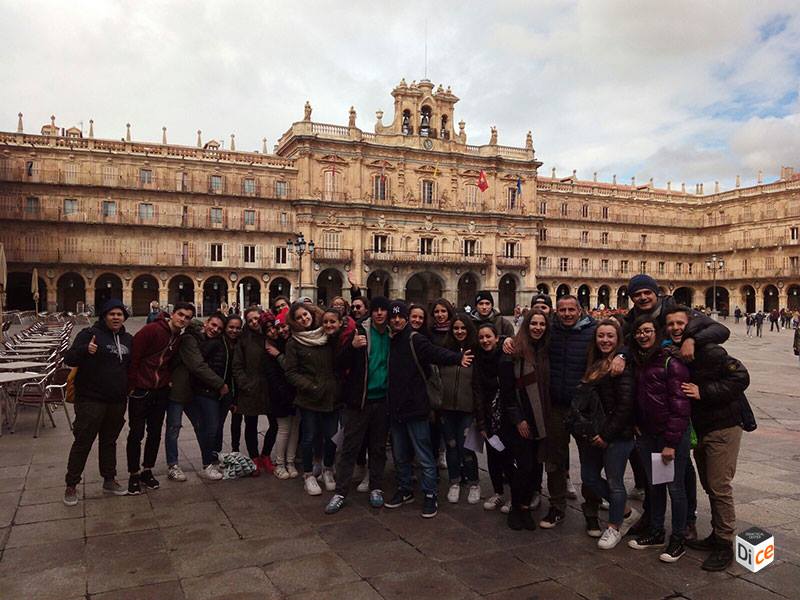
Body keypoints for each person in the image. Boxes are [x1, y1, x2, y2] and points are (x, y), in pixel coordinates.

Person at [665, 306, 750, 570]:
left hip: (724, 426)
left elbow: (741, 376)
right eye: (671, 325)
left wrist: (705, 391)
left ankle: (725, 543)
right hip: (702, 428)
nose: (676, 328)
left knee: (719, 486)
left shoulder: (711, 350)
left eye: (680, 324)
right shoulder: (678, 353)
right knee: (710, 485)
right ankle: (716, 534)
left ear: (689, 325)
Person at [383, 300, 472, 518]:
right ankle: (405, 489)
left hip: (416, 407)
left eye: (400, 316)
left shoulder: (415, 339)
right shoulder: (389, 339)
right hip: (395, 408)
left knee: (423, 455)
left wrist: (459, 358)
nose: (397, 320)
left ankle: (430, 494)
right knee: (400, 454)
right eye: (393, 317)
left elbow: (436, 353)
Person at [627, 316, 692, 563]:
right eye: (638, 332)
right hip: (647, 434)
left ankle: (678, 538)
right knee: (655, 486)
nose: (643, 335)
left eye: (647, 331)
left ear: (657, 333)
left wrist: (671, 443)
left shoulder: (671, 362)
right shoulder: (638, 361)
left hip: (670, 436)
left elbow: (680, 406)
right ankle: (656, 532)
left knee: (675, 488)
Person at [576, 318, 640, 549]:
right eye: (601, 336)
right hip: (595, 433)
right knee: (589, 476)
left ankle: (614, 527)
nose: (605, 340)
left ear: (618, 339)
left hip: (617, 435)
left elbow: (625, 407)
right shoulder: (596, 362)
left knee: (614, 481)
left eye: (610, 336)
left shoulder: (621, 366)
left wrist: (606, 435)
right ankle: (625, 511)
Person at [325, 296, 392, 513]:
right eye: (376, 310)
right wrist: (352, 347)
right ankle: (341, 492)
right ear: (371, 312)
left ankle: (376, 487)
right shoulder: (360, 332)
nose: (380, 313)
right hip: (359, 400)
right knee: (349, 448)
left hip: (383, 400)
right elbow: (338, 363)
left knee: (378, 448)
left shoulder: (394, 334)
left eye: (383, 310)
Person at [63, 299, 133, 506]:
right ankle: (71, 484)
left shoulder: (128, 339)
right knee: (83, 442)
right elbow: (69, 358)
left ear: (124, 317)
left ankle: (109, 480)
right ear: (104, 316)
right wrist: (85, 350)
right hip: (90, 400)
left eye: (119, 314)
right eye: (112, 314)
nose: (116, 317)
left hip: (117, 400)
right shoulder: (88, 334)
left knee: (109, 442)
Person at [126, 302, 194, 493]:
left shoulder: (177, 337)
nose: (183, 319)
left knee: (155, 433)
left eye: (187, 317)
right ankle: (133, 474)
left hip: (160, 390)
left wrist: (167, 380)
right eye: (180, 314)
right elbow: (134, 358)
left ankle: (147, 470)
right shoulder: (152, 330)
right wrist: (132, 386)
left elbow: (170, 363)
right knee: (136, 433)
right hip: (140, 390)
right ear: (172, 314)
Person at [499, 309, 552, 531]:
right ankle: (517, 508)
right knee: (524, 466)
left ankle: (524, 508)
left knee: (534, 467)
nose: (538, 328)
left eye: (542, 324)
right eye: (534, 324)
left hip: (543, 417)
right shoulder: (513, 351)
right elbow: (507, 391)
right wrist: (518, 419)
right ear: (526, 325)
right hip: (521, 417)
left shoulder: (548, 350)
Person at [284, 302, 339, 496]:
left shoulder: (327, 334)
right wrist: (311, 386)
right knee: (308, 438)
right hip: (309, 398)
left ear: (311, 313)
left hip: (331, 396)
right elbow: (290, 372)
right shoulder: (294, 342)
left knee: (331, 437)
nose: (303, 319)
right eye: (298, 317)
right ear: (294, 321)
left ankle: (328, 469)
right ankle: (308, 475)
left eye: (305, 315)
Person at [166, 314, 230, 481]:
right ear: (206, 323)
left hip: (192, 391)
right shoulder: (189, 339)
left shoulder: (202, 338)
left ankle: (207, 464)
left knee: (202, 427)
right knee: (174, 428)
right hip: (178, 390)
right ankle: (173, 465)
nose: (214, 329)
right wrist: (220, 384)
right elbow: (197, 366)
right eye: (213, 325)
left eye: (219, 328)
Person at [439, 314, 481, 505]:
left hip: (467, 408)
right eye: (456, 328)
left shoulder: (476, 352)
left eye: (463, 328)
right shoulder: (445, 351)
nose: (459, 331)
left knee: (466, 447)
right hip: (446, 407)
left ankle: (473, 482)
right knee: (451, 445)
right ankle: (454, 481)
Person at [472, 323, 513, 513]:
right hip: (488, 415)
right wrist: (481, 422)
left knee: (509, 456)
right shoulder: (478, 359)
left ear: (497, 338)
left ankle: (515, 495)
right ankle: (498, 492)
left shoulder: (506, 355)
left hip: (507, 414)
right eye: (481, 337)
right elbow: (477, 392)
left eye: (489, 337)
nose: (485, 340)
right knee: (493, 456)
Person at [231, 308, 272, 474]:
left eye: (257, 318)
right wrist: (245, 384)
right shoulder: (244, 339)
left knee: (275, 424)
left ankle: (266, 455)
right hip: (250, 388)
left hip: (270, 388)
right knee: (251, 424)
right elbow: (237, 366)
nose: (254, 322)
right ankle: (254, 458)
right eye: (250, 320)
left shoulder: (270, 335)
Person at [265, 307, 300, 479]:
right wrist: (284, 394)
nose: (282, 330)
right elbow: (273, 375)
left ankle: (291, 462)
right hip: (281, 395)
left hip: (297, 394)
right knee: (284, 429)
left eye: (284, 326)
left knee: (295, 429)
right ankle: (280, 463)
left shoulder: (295, 343)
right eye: (279, 327)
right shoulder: (273, 347)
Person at [218, 314, 242, 458]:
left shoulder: (241, 343)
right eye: (231, 327)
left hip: (237, 389)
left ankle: (235, 449)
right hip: (221, 388)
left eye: (238, 328)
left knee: (237, 422)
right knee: (218, 422)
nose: (234, 331)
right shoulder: (219, 342)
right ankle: (216, 452)